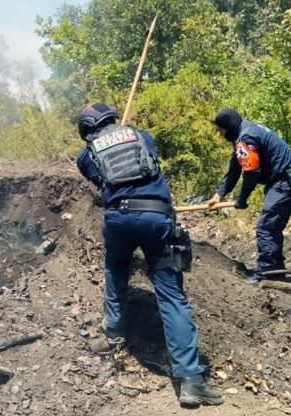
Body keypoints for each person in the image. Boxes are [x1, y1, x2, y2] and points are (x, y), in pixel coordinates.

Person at [75, 102, 223, 407]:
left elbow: (103, 180)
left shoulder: (85, 156)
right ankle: (191, 381)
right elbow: (148, 162)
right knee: (170, 295)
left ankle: (112, 334)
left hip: (119, 220)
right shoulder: (142, 136)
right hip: (157, 218)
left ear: (87, 130)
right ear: (113, 118)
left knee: (116, 267)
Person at [201, 108, 291, 284]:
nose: (220, 134)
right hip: (284, 180)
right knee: (271, 226)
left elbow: (251, 173)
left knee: (266, 227)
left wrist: (242, 199)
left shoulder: (245, 138)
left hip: (286, 182)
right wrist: (219, 195)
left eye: (220, 130)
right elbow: (235, 168)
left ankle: (267, 273)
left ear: (228, 127)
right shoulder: (245, 131)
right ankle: (275, 270)